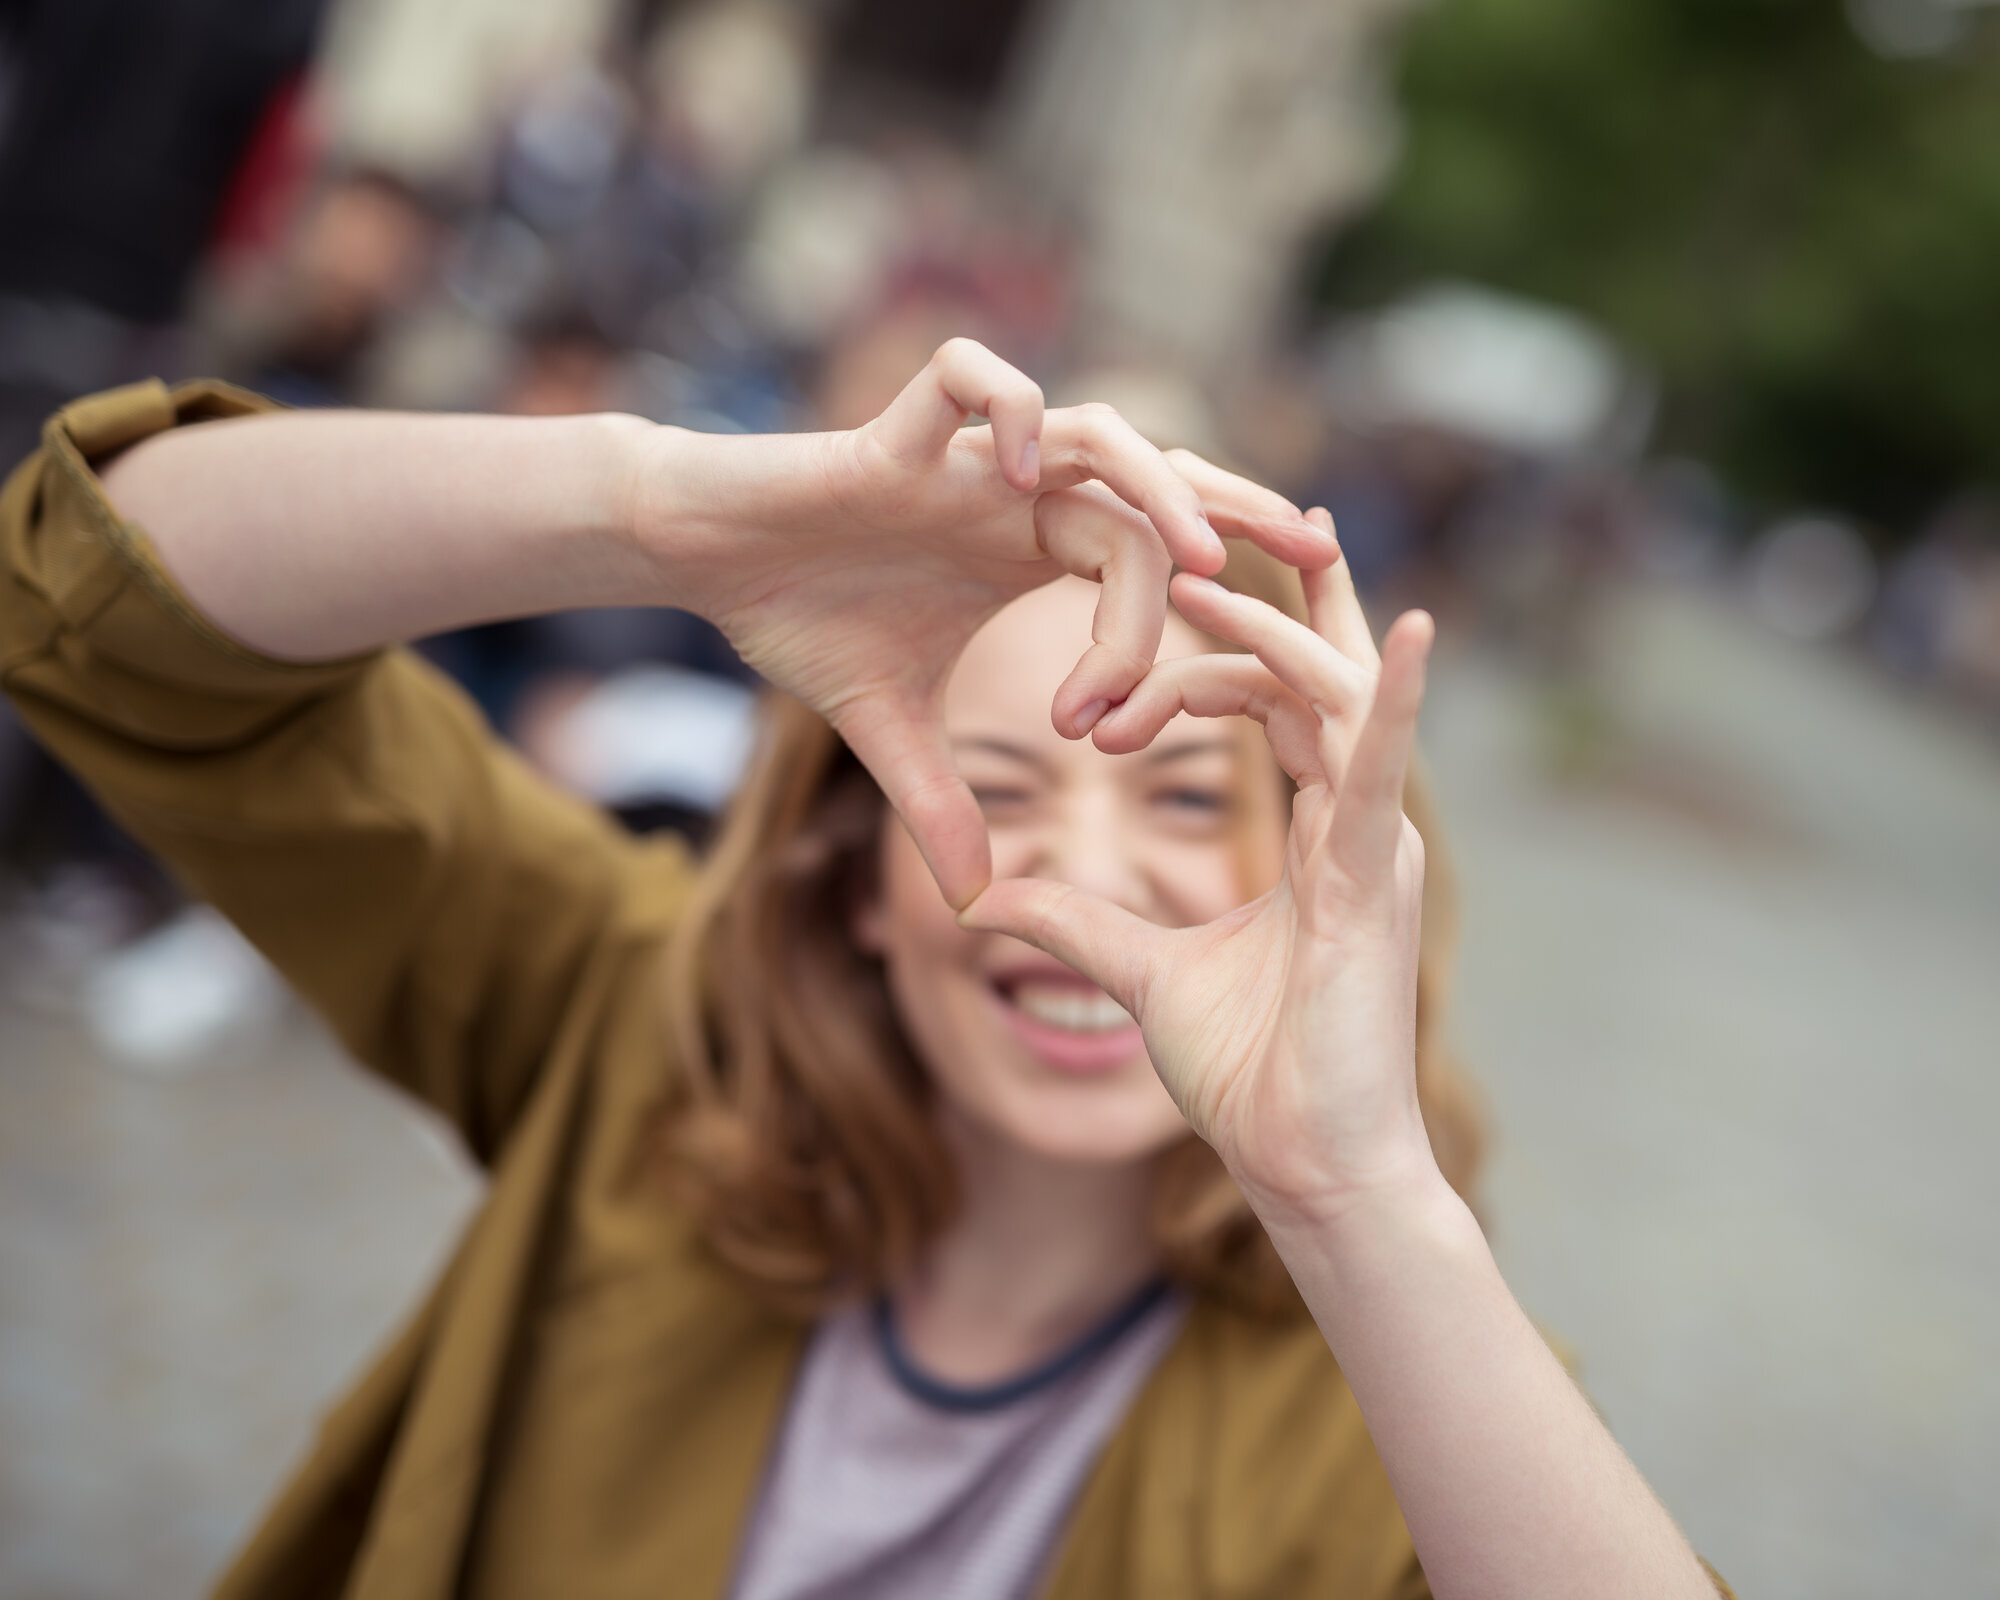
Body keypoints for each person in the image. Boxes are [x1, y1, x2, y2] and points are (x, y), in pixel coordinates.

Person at [0, 340, 1731, 1599]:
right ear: (847, 874)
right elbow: (107, 602)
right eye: (992, 792)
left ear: (1326, 863)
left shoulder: (1402, 1416)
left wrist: (1356, 1194)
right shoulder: (631, 1023)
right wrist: (656, 512)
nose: (1089, 880)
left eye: (1190, 787)